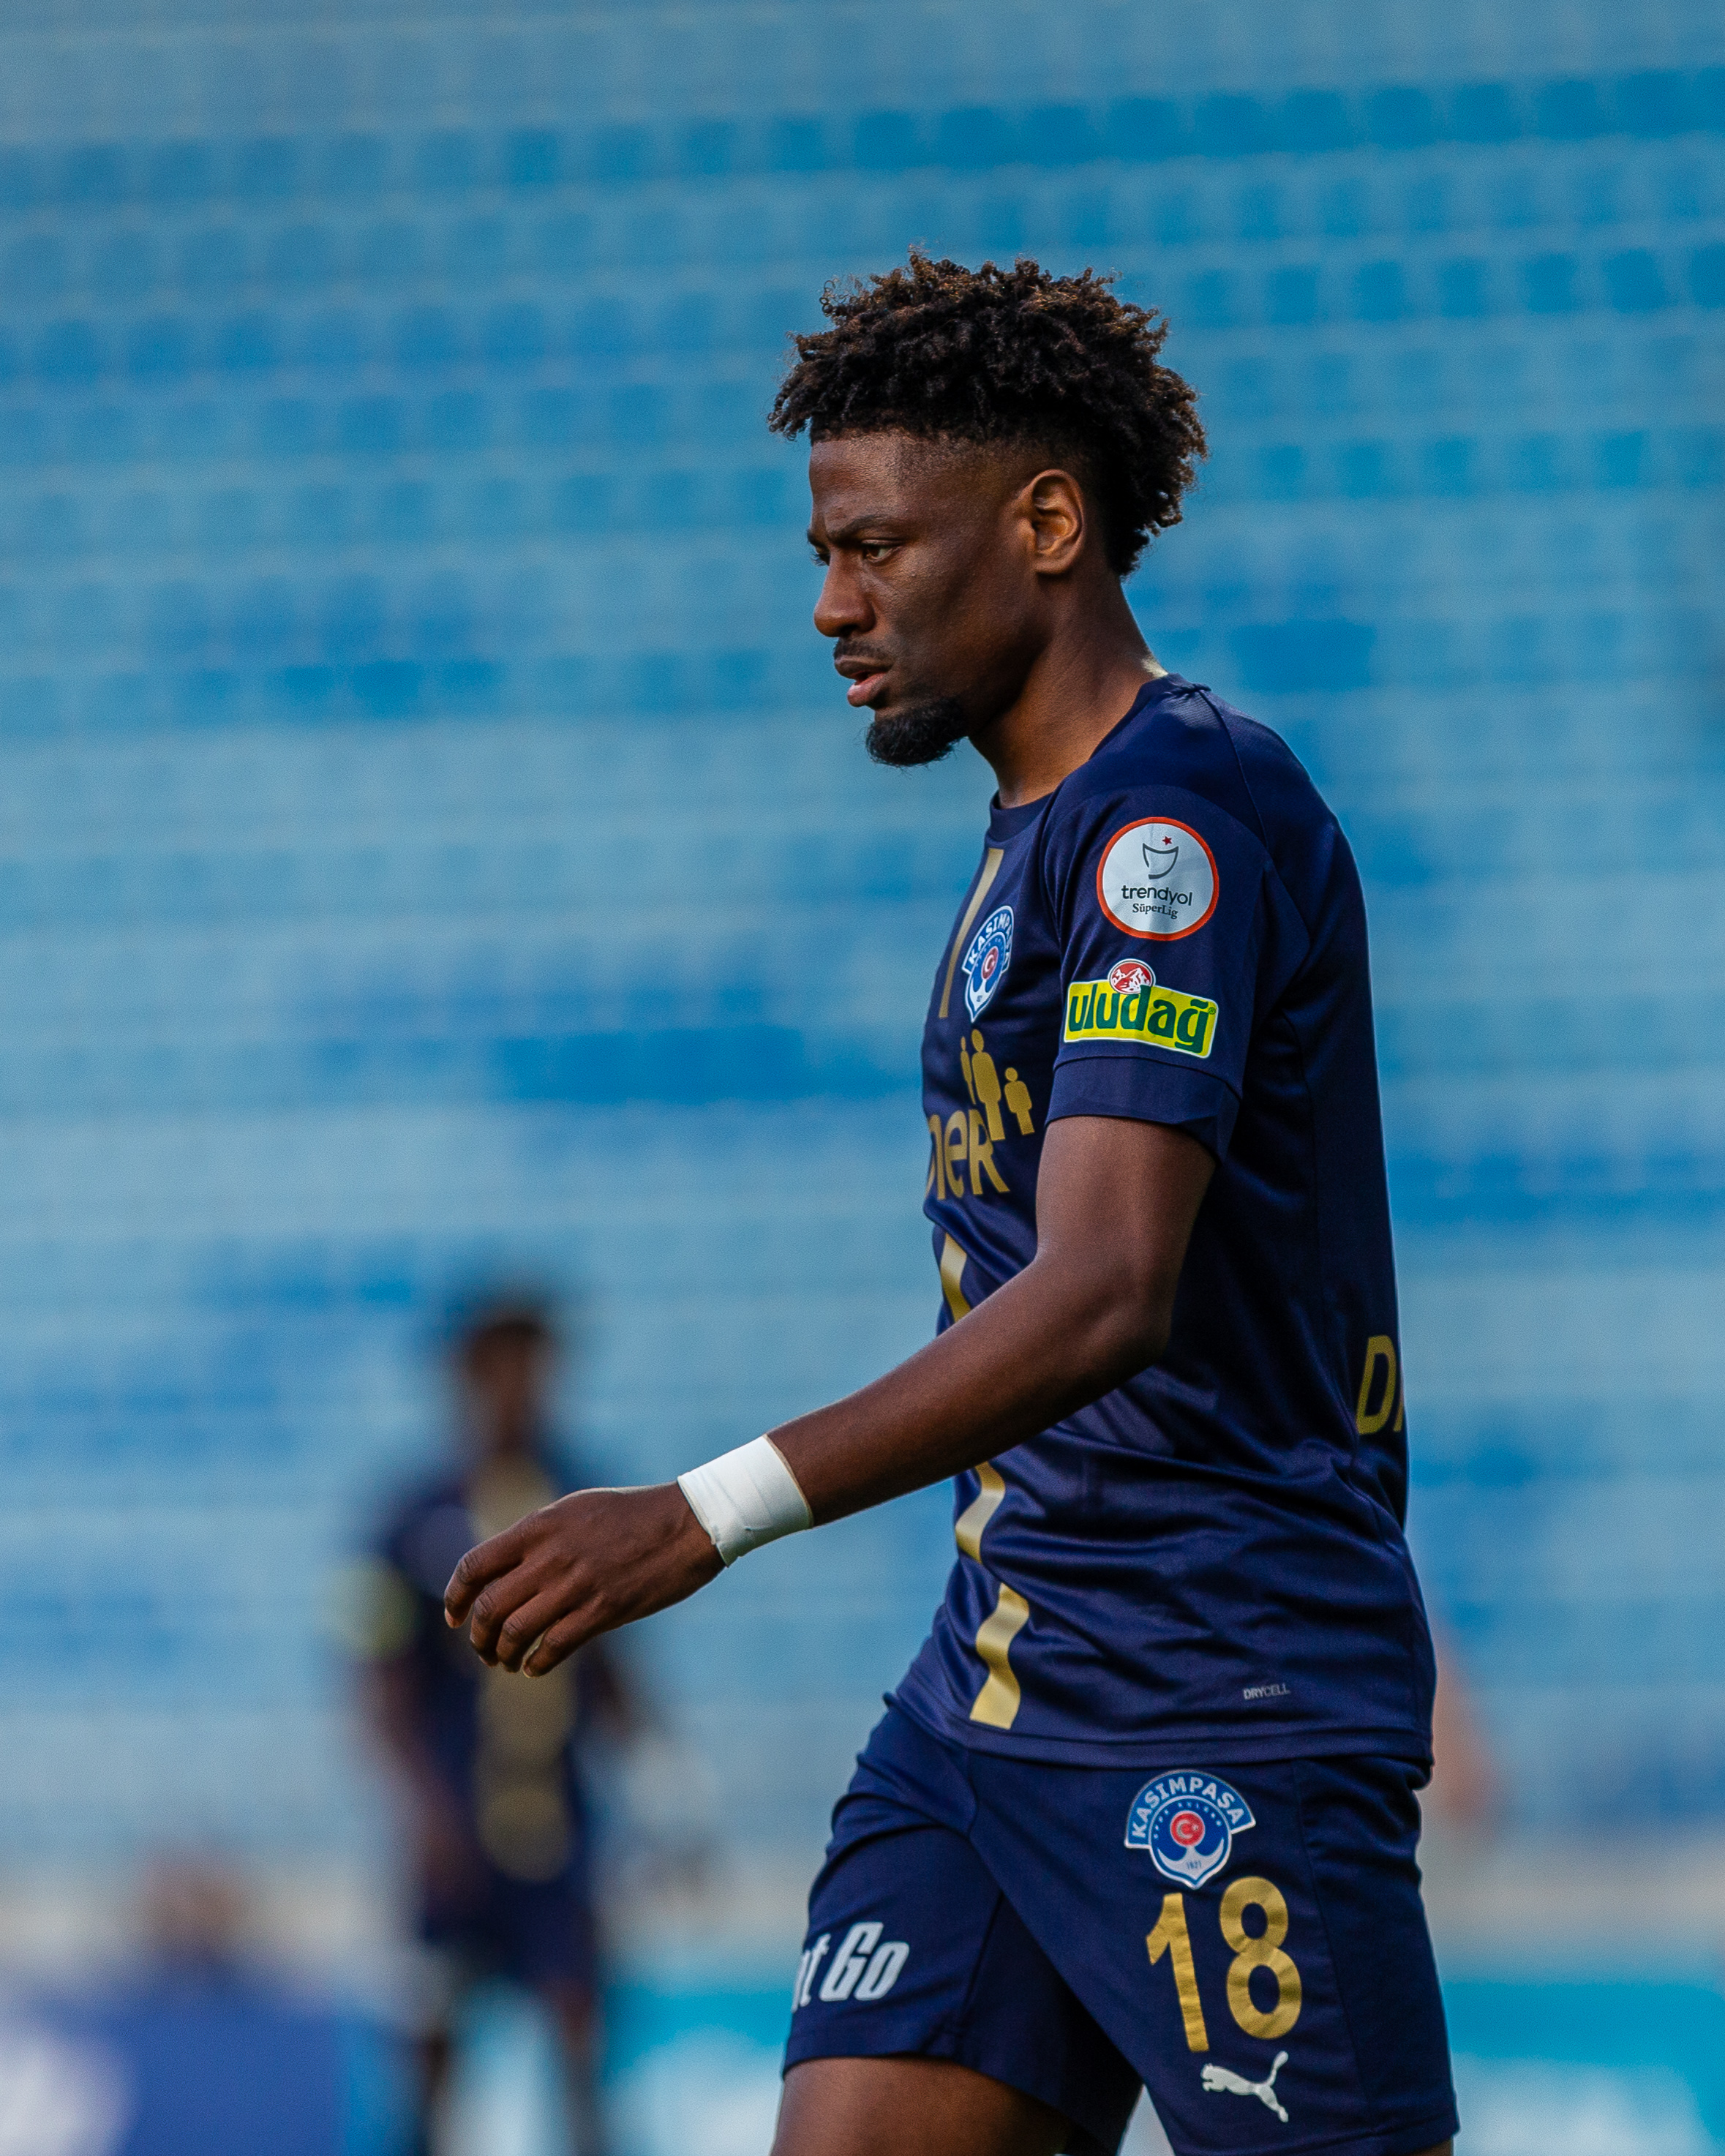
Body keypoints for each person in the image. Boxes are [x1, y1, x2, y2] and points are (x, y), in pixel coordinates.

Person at [443, 254, 1457, 2156]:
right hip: (991, 1695)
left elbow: (1104, 1286)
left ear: (1046, 525)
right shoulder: (1038, 827)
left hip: (1215, 1690)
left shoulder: (1173, 825)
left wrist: (702, 1513)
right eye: (824, 553)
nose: (834, 604)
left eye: (876, 548)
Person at [356, 1299, 631, 2156]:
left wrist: (661, 1779)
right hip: (457, 1822)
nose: (520, 1389)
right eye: (501, 1369)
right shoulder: (411, 1516)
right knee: (431, 2036)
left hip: (559, 1820)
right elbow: (380, 1680)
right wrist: (422, 1808)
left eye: (533, 1368)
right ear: (467, 1380)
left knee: (580, 2028)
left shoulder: (587, 1498)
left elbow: (613, 1664)